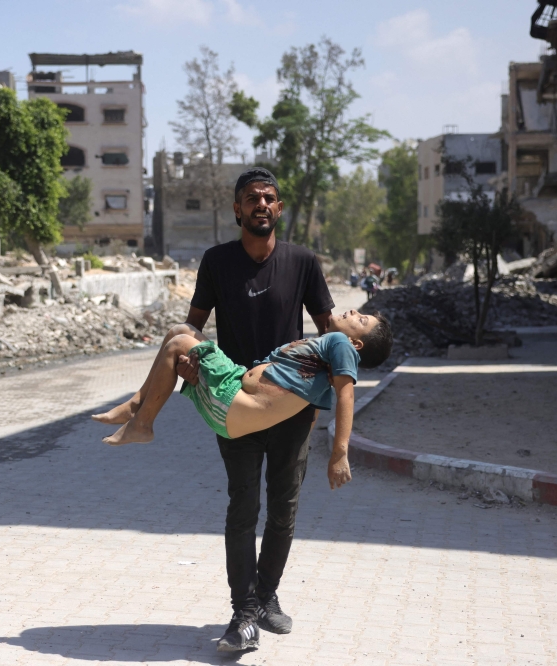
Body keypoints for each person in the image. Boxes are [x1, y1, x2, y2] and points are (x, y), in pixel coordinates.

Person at [152, 167, 335, 652]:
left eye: (269, 198)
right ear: (237, 209)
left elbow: (330, 335)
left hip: (291, 408)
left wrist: (323, 396)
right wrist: (190, 365)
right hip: (236, 405)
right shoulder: (216, 262)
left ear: (279, 208)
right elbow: (191, 327)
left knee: (284, 509)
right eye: (251, 198)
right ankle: (244, 609)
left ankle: (267, 595)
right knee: (242, 507)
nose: (261, 204)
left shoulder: (303, 262)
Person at [94, 309, 391, 449]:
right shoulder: (321, 364)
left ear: (355, 346)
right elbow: (310, 410)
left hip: (234, 403)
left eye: (361, 320)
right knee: (178, 331)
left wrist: (339, 452)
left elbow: (347, 396)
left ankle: (142, 423)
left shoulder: (339, 344)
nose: (354, 311)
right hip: (232, 399)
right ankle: (135, 404)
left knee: (177, 342)